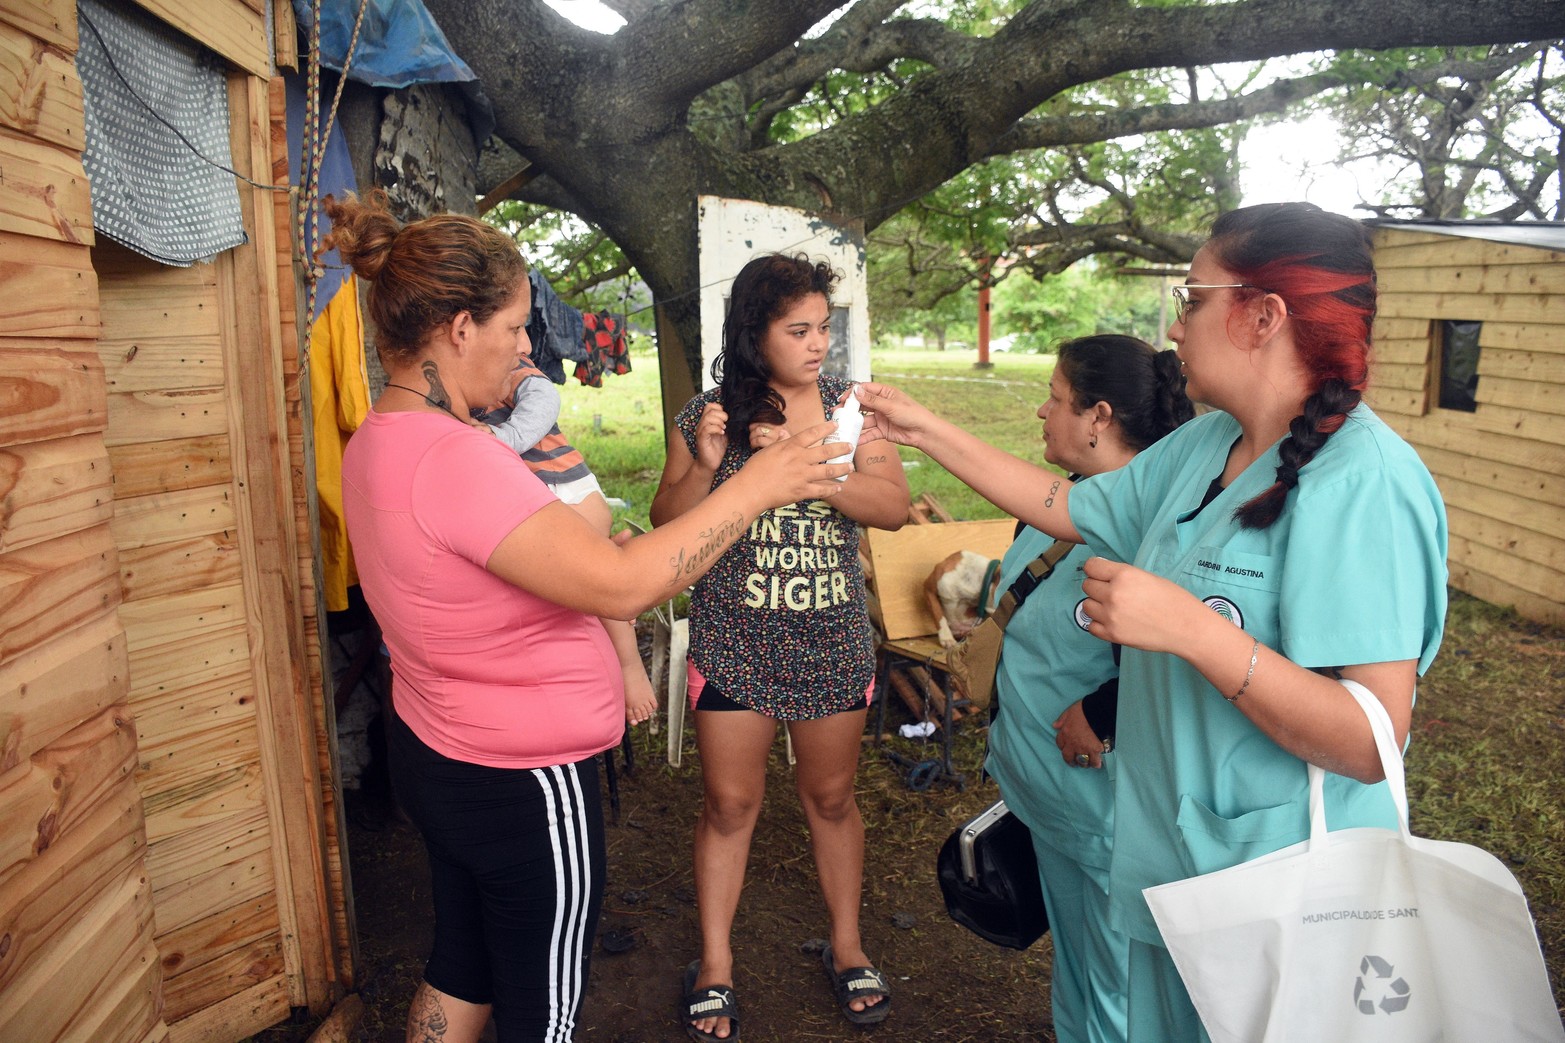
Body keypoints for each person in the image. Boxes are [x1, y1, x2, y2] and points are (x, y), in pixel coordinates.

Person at [854, 202, 1448, 1039]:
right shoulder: (1208, 445)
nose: (1174, 327)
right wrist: (923, 428)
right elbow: (1064, 503)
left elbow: (1370, 735)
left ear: (1262, 315)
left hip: (1274, 882)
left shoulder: (1365, 484)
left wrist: (1193, 630)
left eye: (1191, 298)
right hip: (1172, 855)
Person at [324, 191, 854, 1043]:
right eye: (514, 325)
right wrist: (759, 484)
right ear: (459, 329)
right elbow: (619, 587)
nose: (527, 346)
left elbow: (496, 561)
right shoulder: (459, 459)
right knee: (544, 1012)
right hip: (523, 779)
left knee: (461, 961)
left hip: (442, 751)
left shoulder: (379, 440)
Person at [650, 254, 911, 1041]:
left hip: (830, 635)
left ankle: (848, 943)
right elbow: (667, 518)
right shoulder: (710, 411)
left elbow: (893, 506)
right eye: (796, 330)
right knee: (729, 803)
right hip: (734, 635)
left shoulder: (851, 411)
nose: (816, 345)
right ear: (752, 333)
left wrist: (807, 468)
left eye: (822, 328)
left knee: (830, 798)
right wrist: (707, 464)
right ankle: (717, 963)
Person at [984, 335, 1193, 1043]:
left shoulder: (1153, 532)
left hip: (1107, 812)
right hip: (1049, 797)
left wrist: (1102, 712)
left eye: (1053, 396)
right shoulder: (1055, 511)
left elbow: (1185, 645)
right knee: (1077, 970)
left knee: (1121, 991)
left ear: (1098, 415)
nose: (1041, 411)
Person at [476, 355, 658, 727]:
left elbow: (543, 397)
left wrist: (502, 439)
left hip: (564, 485)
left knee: (601, 580)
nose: (524, 341)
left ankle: (629, 665)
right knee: (581, 589)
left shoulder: (507, 362)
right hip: (529, 497)